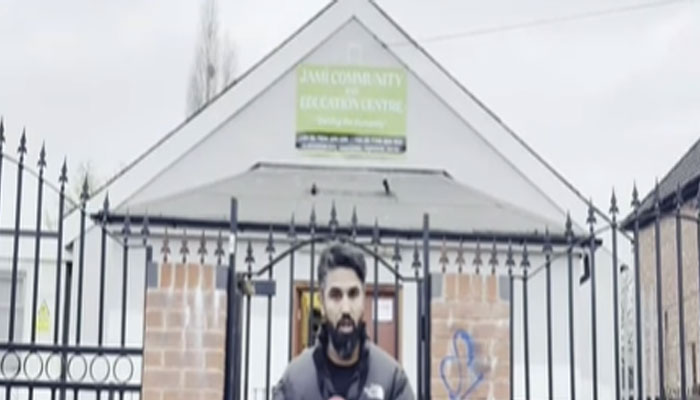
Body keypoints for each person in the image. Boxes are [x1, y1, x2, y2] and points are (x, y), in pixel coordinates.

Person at [272, 242, 414, 400]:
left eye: (353, 294)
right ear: (322, 301)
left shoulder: (392, 381)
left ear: (363, 298)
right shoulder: (294, 382)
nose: (346, 308)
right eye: (335, 295)